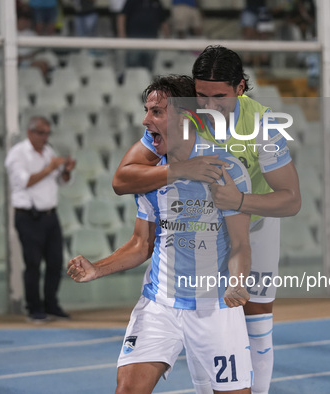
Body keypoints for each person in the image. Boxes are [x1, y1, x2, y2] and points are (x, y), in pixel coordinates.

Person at [112, 45, 301, 394]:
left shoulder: (262, 126)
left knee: (255, 314)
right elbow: (123, 178)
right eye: (201, 95)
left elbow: (291, 200)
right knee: (206, 312)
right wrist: (181, 168)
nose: (209, 105)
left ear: (240, 88)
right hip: (202, 223)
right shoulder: (181, 115)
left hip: (254, 219)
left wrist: (240, 199)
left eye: (220, 96)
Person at [69, 75, 253, 394]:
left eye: (156, 112)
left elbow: (240, 243)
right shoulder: (152, 177)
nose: (146, 120)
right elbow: (142, 244)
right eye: (147, 110)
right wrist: (98, 268)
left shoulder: (226, 170)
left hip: (214, 308)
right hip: (160, 303)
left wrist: (237, 280)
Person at [5, 116, 76, 323]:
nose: (45, 137)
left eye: (47, 133)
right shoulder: (17, 154)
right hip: (29, 216)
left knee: (55, 262)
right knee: (33, 263)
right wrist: (50, 168)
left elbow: (61, 183)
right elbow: (25, 181)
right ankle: (34, 308)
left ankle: (51, 304)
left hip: (49, 214)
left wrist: (66, 172)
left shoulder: (48, 152)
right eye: (41, 133)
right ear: (30, 132)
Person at [117, 0, 169, 71]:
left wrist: (167, 37)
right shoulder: (131, 1)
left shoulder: (156, 2)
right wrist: (122, 35)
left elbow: (163, 20)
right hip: (133, 42)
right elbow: (122, 16)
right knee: (132, 68)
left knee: (148, 68)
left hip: (152, 42)